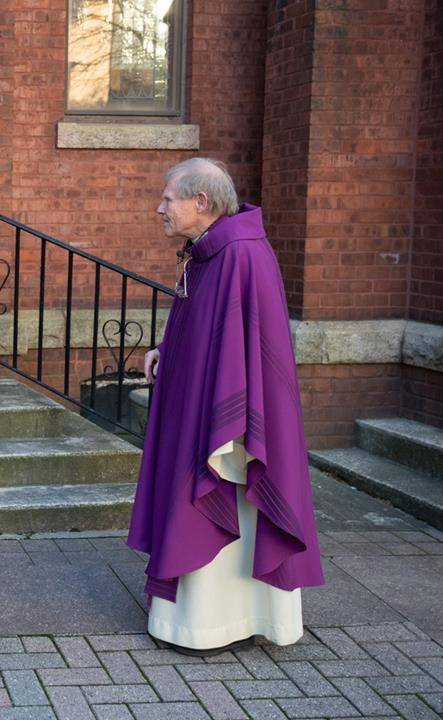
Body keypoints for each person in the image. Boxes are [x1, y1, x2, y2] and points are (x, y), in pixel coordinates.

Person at [128, 157, 324, 656]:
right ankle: (194, 620)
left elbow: (248, 349)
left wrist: (231, 427)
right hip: (196, 402)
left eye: (168, 199)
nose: (159, 208)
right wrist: (166, 348)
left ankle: (218, 623)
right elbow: (204, 325)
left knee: (223, 497)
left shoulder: (241, 254)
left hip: (229, 428)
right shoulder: (208, 251)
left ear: (202, 202)